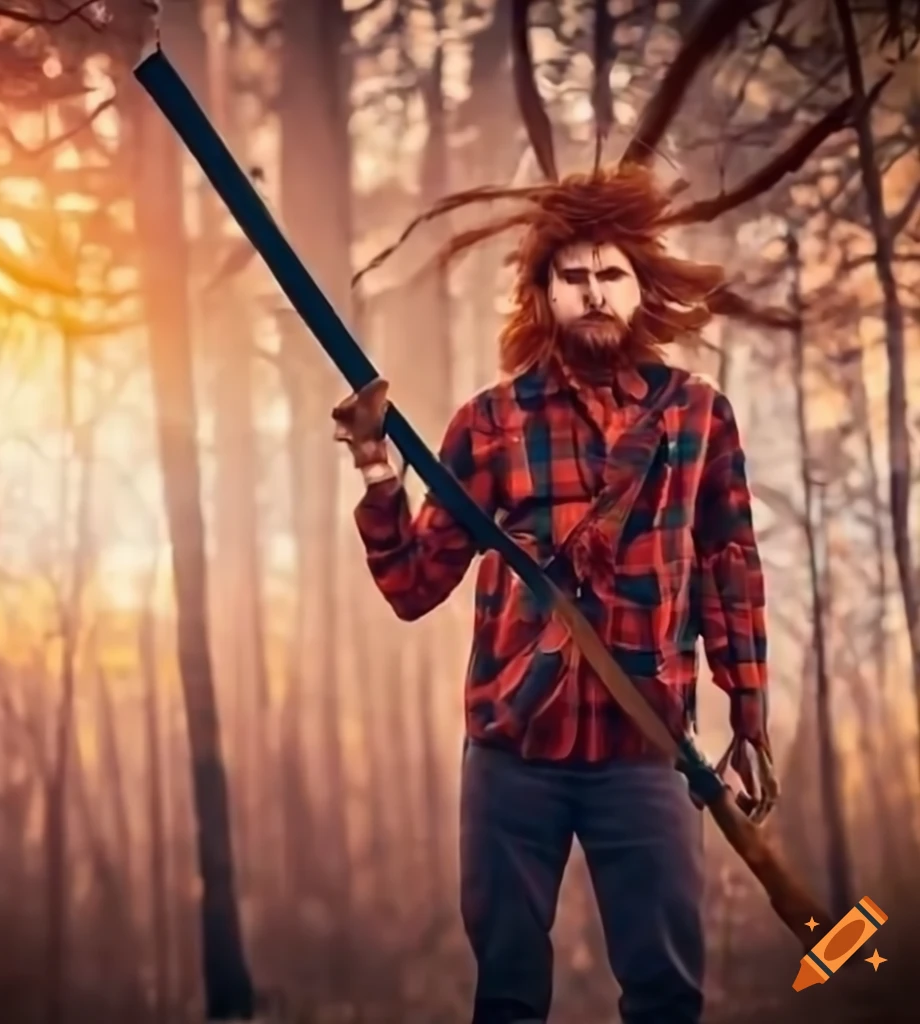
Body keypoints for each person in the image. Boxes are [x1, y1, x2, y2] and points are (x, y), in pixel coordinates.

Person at [332, 164, 780, 1024]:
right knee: (506, 999)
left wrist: (748, 710)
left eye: (611, 274)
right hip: (513, 751)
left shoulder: (698, 416)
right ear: (544, 295)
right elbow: (414, 585)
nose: (595, 293)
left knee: (666, 998)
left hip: (647, 749)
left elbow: (730, 564)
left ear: (640, 287)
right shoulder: (489, 423)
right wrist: (376, 465)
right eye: (574, 277)